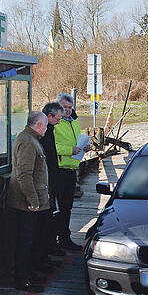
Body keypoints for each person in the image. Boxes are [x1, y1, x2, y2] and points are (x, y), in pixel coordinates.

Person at [7, 111, 51, 292]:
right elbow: (24, 175)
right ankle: (22, 279)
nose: (47, 129)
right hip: (25, 204)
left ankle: (29, 273)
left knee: (31, 240)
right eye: (46, 125)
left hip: (31, 202)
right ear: (39, 125)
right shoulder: (27, 141)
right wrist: (32, 201)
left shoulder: (31, 139)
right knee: (24, 242)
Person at [52, 93, 91, 250]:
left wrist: (84, 148)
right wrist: (70, 150)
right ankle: (54, 240)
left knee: (68, 207)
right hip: (59, 170)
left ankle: (64, 238)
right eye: (64, 107)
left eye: (69, 107)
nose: (67, 110)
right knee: (58, 208)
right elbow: (50, 147)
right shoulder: (55, 123)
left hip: (72, 169)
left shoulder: (74, 123)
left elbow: (76, 143)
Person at [39, 102, 65, 258]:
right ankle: (45, 252)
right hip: (46, 184)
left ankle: (50, 248)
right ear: (49, 117)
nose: (59, 122)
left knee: (52, 217)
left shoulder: (50, 131)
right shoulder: (43, 135)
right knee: (45, 221)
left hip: (52, 180)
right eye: (57, 119)